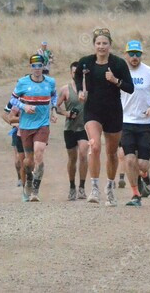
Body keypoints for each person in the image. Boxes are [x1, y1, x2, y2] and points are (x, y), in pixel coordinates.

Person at [74, 28, 134, 207]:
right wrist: (80, 91)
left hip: (113, 111)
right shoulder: (86, 62)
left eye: (104, 43)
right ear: (94, 45)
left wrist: (115, 81)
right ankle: (94, 188)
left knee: (112, 153)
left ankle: (109, 188)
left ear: (110, 45)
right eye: (98, 43)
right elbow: (77, 76)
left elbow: (130, 87)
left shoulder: (118, 64)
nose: (101, 46)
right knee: (94, 146)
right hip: (92, 110)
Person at [118, 41, 150, 207]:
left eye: (137, 54)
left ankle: (145, 176)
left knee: (142, 164)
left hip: (146, 123)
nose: (134, 57)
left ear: (141, 55)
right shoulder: (120, 72)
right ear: (126, 55)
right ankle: (135, 195)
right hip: (126, 122)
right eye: (131, 53)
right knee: (130, 160)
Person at [10, 54, 57, 202]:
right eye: (34, 66)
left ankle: (35, 190)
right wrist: (24, 106)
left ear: (43, 66)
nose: (37, 68)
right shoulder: (23, 82)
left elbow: (54, 96)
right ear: (30, 67)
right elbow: (12, 100)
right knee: (28, 160)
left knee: (39, 152)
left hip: (43, 124)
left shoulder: (50, 82)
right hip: (26, 125)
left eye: (39, 65)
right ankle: (29, 180)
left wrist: (53, 110)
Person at [55, 62, 89, 201]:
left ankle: (82, 187)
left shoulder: (89, 88)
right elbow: (56, 107)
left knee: (83, 154)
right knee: (72, 158)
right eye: (74, 72)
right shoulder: (65, 89)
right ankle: (72, 187)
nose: (76, 74)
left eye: (78, 72)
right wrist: (67, 113)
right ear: (70, 73)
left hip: (85, 128)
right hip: (70, 128)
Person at [2, 100, 26, 194]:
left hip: (29, 130)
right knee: (18, 157)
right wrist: (14, 123)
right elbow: (4, 115)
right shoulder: (14, 101)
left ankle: (26, 178)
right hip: (17, 131)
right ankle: (20, 178)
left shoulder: (32, 97)